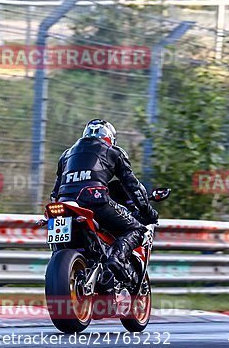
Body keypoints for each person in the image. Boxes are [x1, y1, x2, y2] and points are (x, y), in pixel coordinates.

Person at [50, 119, 159, 284]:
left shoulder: (66, 155)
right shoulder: (113, 151)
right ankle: (116, 260)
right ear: (110, 137)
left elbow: (55, 192)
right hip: (94, 199)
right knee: (136, 229)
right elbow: (132, 186)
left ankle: (72, 266)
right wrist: (147, 212)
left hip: (64, 204)